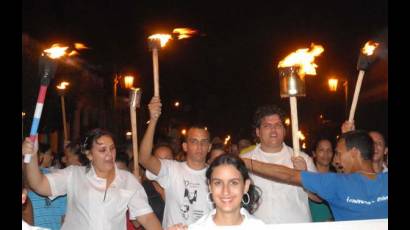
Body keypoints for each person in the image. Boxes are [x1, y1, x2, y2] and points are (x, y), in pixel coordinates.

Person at [23, 128, 162, 230]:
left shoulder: (128, 180)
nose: (109, 155)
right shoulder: (73, 175)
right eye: (102, 150)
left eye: (112, 149)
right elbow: (38, 184)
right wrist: (32, 156)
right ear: (89, 155)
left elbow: (147, 218)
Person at [241, 130, 388, 221]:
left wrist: (243, 162)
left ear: (355, 152)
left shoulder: (336, 183)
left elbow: (287, 175)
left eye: (338, 153)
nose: (335, 160)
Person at [139, 96, 212, 228]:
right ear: (185, 146)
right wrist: (153, 120)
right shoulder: (171, 169)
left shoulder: (216, 175)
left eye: (204, 142)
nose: (199, 147)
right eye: (194, 141)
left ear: (209, 147)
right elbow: (144, 158)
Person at [241, 104, 317, 223]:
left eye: (278, 125)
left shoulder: (303, 159)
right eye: (267, 126)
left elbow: (318, 198)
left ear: (284, 131)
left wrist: (305, 175)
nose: (273, 130)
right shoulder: (244, 161)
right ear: (258, 132)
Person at [309, 138, 335, 222]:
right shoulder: (308, 178)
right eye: (321, 150)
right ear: (314, 153)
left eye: (329, 150)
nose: (326, 154)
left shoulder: (338, 178)